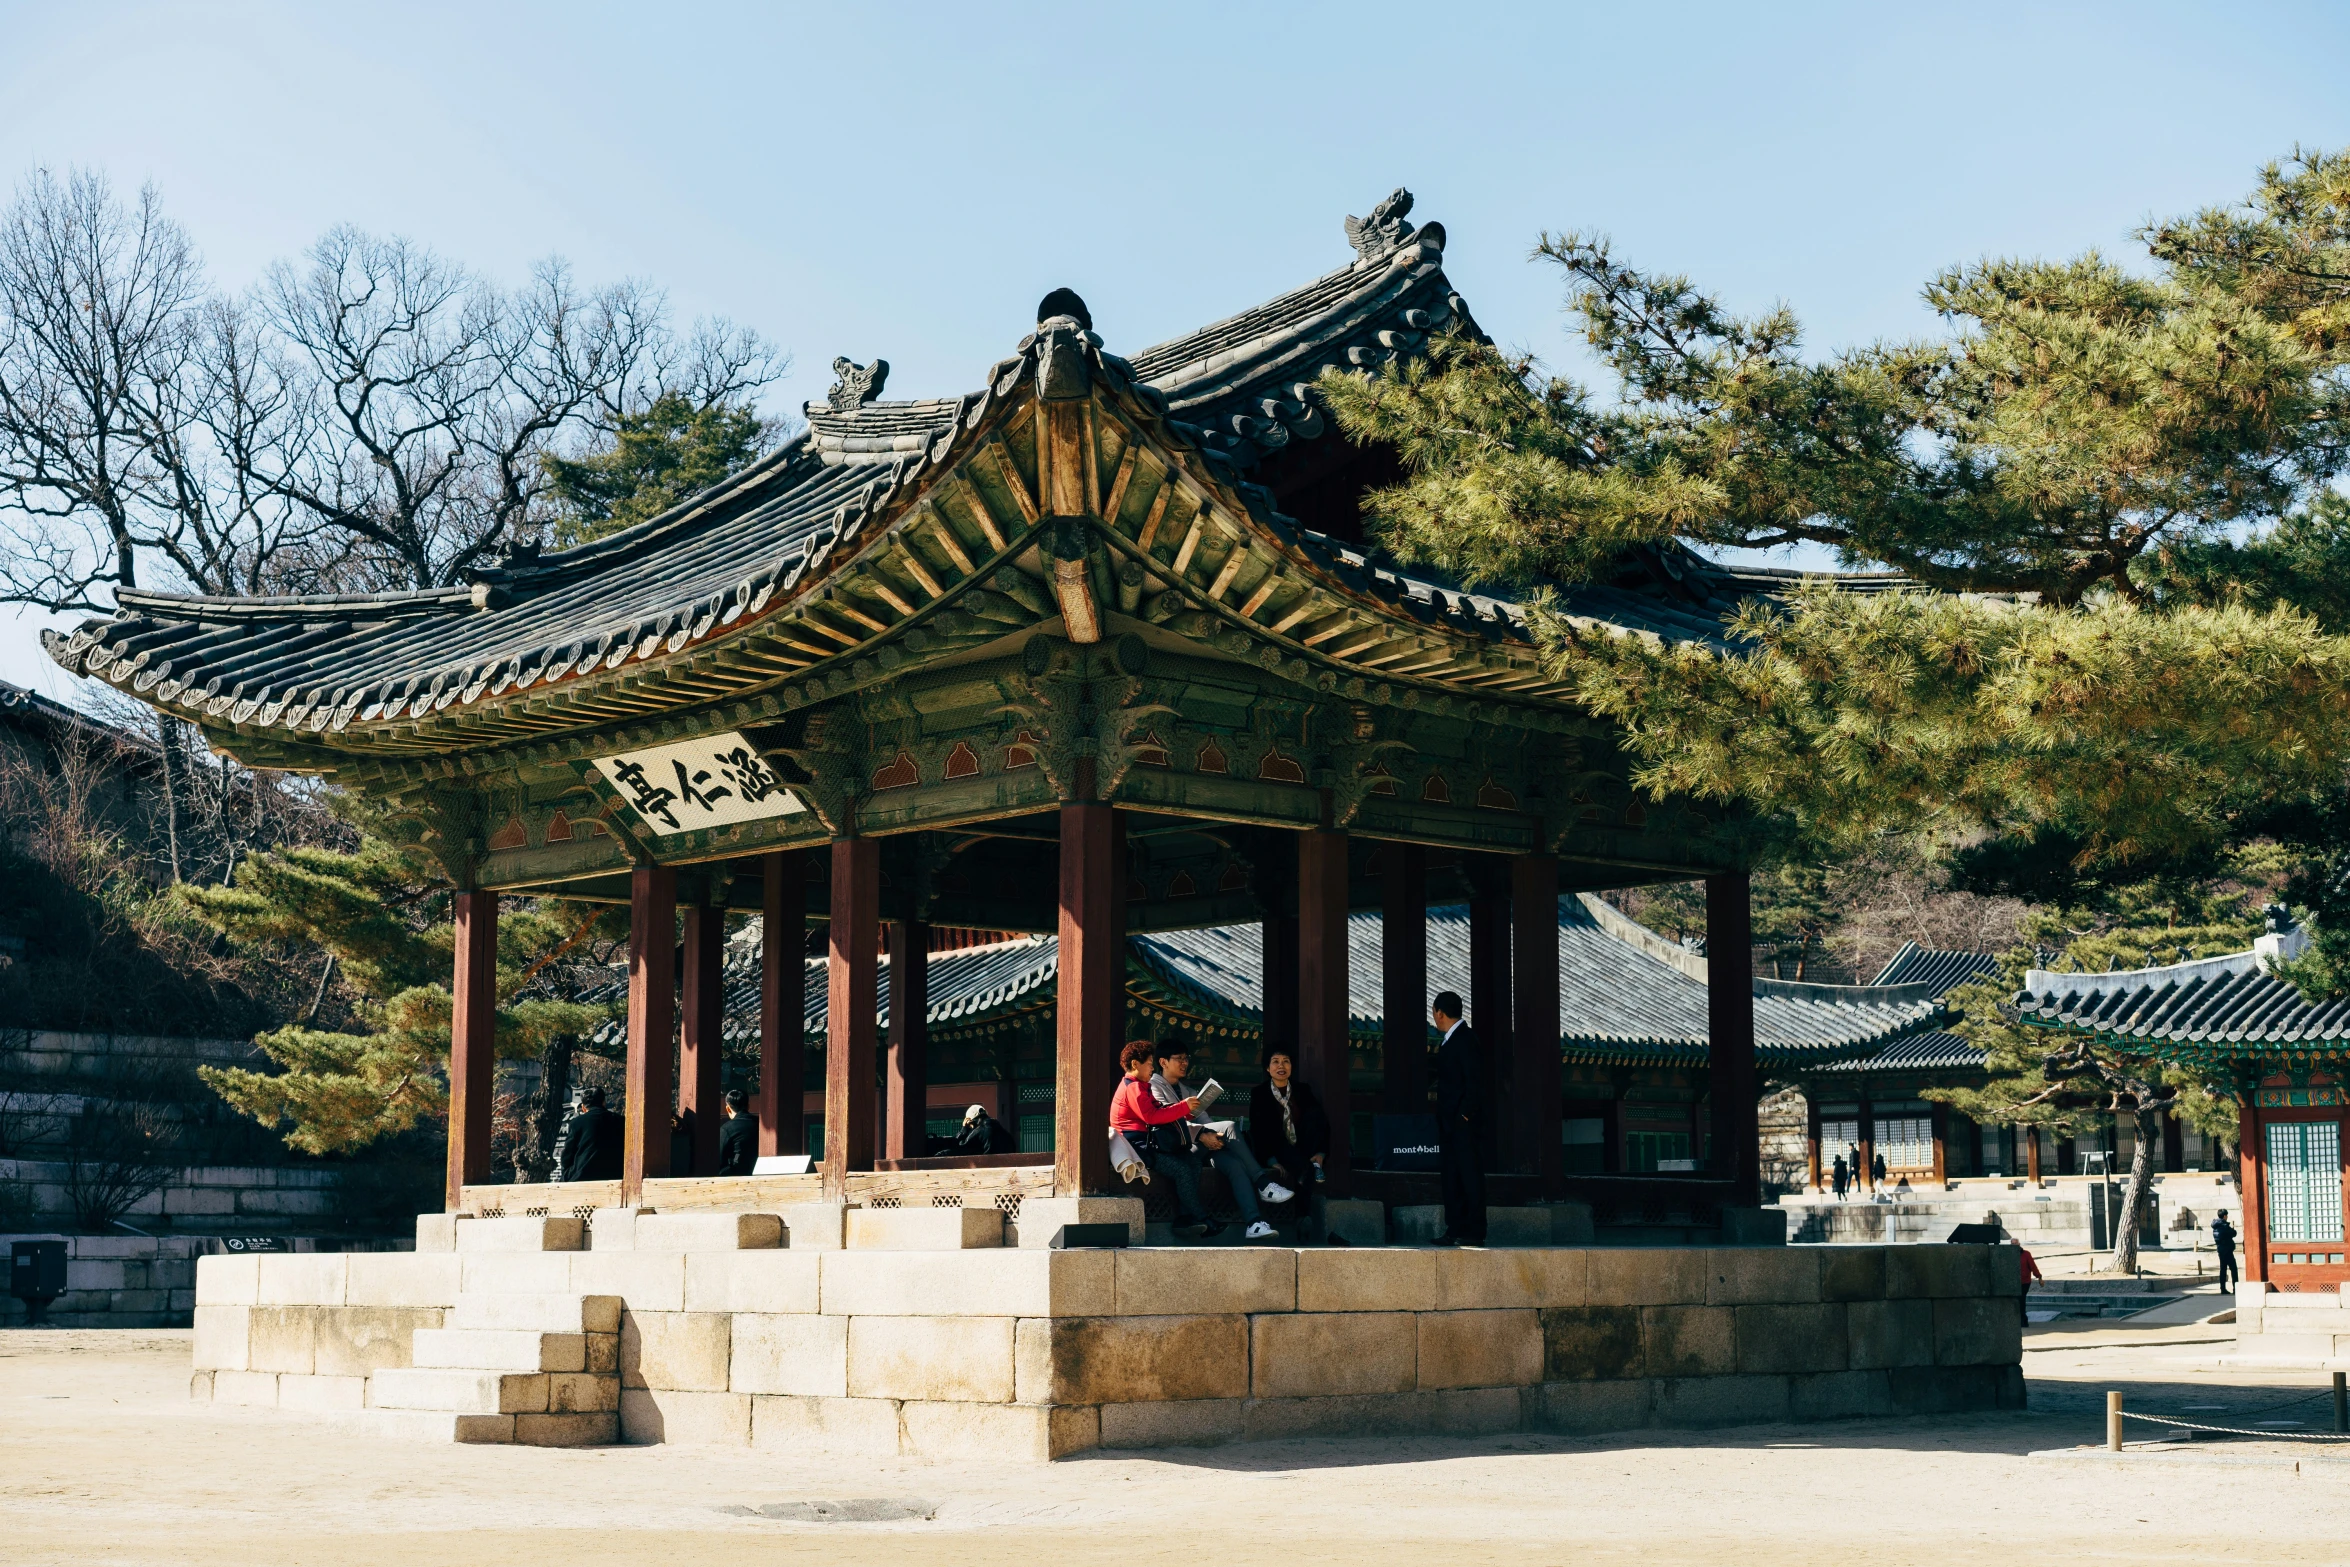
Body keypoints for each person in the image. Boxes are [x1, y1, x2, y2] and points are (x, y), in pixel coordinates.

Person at [1155, 1041, 1288, 1240]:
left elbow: (1205, 1120)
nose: (1184, 1063)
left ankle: (1254, 1223)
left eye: (1186, 1058)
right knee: (1229, 1127)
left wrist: (1214, 1138)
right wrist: (1203, 1134)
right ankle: (1262, 1181)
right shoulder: (1153, 1087)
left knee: (1234, 1164)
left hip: (1199, 1147)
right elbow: (1167, 1122)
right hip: (1176, 1148)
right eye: (1179, 1058)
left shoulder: (1189, 1091)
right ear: (1163, 1062)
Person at [1108, 1040, 1214, 1236]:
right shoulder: (1133, 1088)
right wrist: (1183, 1107)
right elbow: (1152, 1117)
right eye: (1149, 1063)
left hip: (1146, 1143)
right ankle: (1201, 1217)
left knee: (1192, 1162)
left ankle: (1185, 1219)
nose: (1152, 1067)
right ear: (1134, 1065)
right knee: (1181, 1169)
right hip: (1138, 1147)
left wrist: (1187, 1111)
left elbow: (1160, 1110)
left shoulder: (1139, 1085)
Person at [1430, 990, 1485, 1246]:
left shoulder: (1465, 1039)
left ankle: (1474, 1230)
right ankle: (1455, 1228)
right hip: (1451, 1122)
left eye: (1434, 1013)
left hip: (1463, 1123)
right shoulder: (1453, 1040)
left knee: (1469, 1175)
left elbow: (1475, 1083)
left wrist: (1464, 1115)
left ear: (1439, 1013)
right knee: (1452, 1176)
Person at [1248, 1045, 1329, 1205]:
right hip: (1277, 1148)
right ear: (1268, 1068)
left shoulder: (1302, 1090)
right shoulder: (1260, 1094)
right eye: (1275, 1062)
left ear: (1291, 1066)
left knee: (1314, 1115)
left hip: (1303, 1146)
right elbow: (1258, 1130)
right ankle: (1303, 1217)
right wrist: (1270, 1160)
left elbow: (1319, 1121)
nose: (1281, 1066)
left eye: (1286, 1061)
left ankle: (1303, 1218)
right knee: (1303, 1168)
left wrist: (1321, 1152)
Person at [560, 1087, 624, 1183]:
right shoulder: (620, 1120)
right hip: (614, 1175)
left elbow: (567, 1157)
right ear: (603, 1102)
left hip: (582, 1176)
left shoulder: (576, 1123)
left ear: (583, 1107)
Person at [717, 1088, 758, 1177]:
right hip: (759, 1173)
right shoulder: (759, 1124)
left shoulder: (727, 1128)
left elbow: (718, 1159)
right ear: (748, 1106)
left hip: (735, 1175)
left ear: (728, 1109)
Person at [2212, 1208, 2239, 1292]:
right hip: (2227, 1249)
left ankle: (2223, 1288)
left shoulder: (2215, 1226)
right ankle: (2235, 1287)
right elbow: (2233, 1233)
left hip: (2220, 1248)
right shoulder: (2224, 1225)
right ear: (2224, 1216)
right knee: (2233, 1269)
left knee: (2223, 1269)